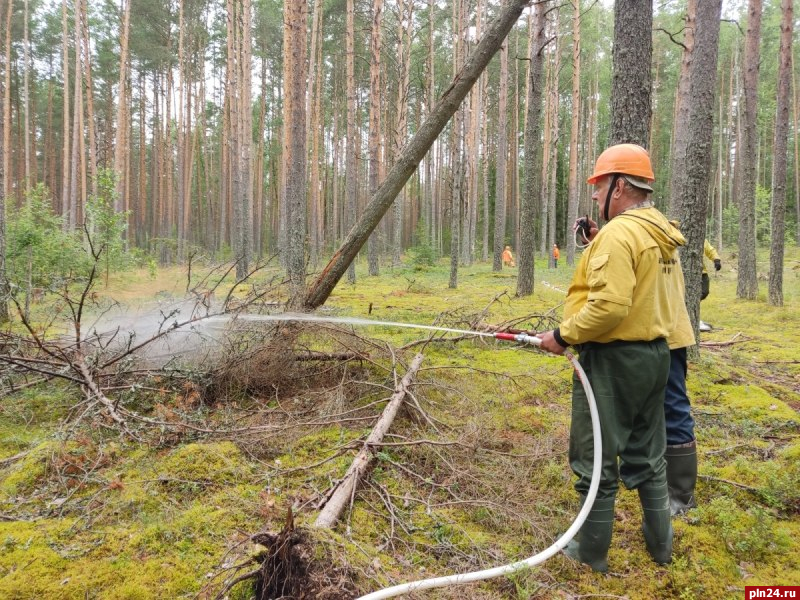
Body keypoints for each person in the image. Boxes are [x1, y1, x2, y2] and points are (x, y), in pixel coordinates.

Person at [538, 143, 683, 572]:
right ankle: (661, 551)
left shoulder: (620, 234)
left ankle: (590, 556)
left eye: (600, 188)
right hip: (657, 357)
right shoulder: (658, 231)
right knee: (650, 459)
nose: (596, 199)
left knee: (597, 459)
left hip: (613, 363)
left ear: (620, 186)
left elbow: (610, 307)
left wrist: (563, 336)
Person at [698, 239, 721, 331]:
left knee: (704, 292)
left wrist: (716, 259)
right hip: (683, 272)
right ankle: (692, 320)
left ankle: (693, 318)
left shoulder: (699, 237)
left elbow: (709, 249)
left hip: (701, 271)